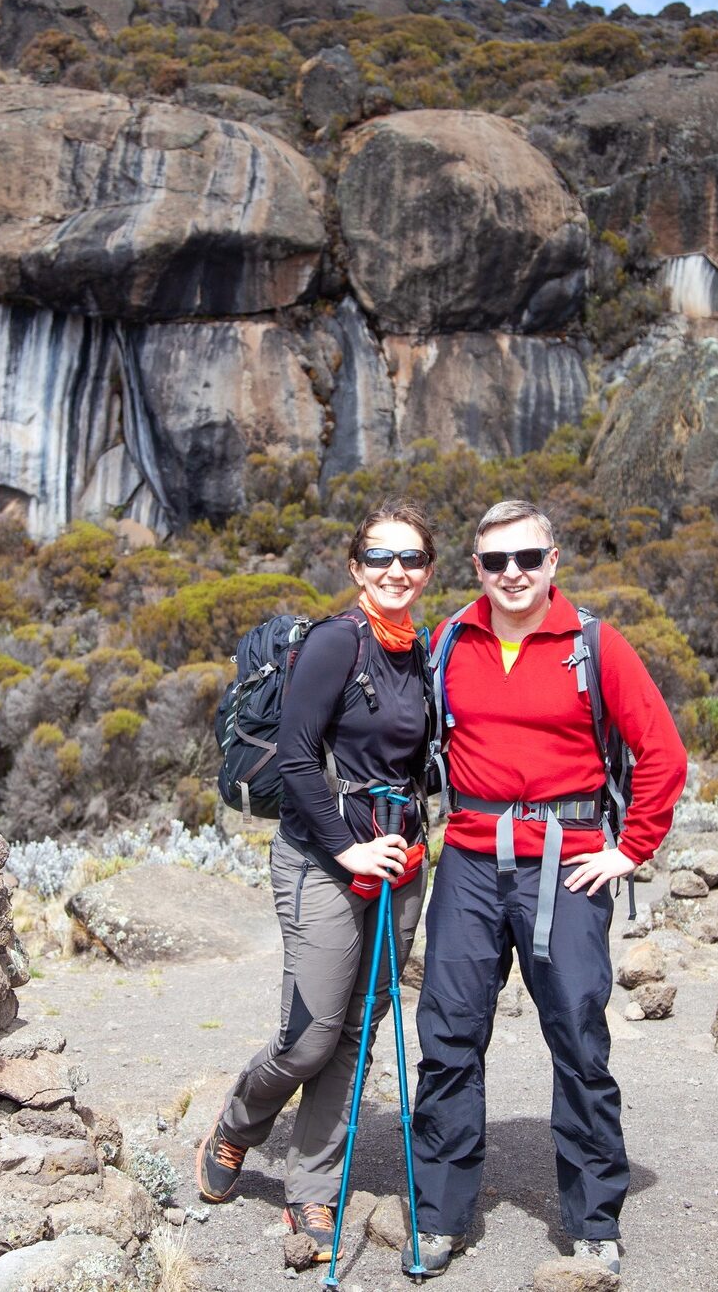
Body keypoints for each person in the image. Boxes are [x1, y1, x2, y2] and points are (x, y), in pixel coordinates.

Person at [403, 499, 687, 1280]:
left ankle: (593, 1220)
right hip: (466, 857)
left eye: (527, 558)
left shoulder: (594, 644)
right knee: (449, 1037)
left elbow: (661, 750)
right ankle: (439, 1216)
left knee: (577, 1037)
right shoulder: (449, 642)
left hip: (567, 861)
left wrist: (628, 849)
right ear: (476, 569)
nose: (512, 575)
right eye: (495, 562)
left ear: (552, 560)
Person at [197, 497, 437, 1262]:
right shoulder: (338, 642)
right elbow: (298, 761)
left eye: (410, 559)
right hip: (321, 860)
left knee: (356, 1037)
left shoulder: (422, 650)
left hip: (400, 865)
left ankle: (312, 1193)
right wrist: (347, 850)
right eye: (380, 559)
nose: (395, 571)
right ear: (354, 568)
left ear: (427, 570)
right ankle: (238, 1121)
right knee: (307, 1040)